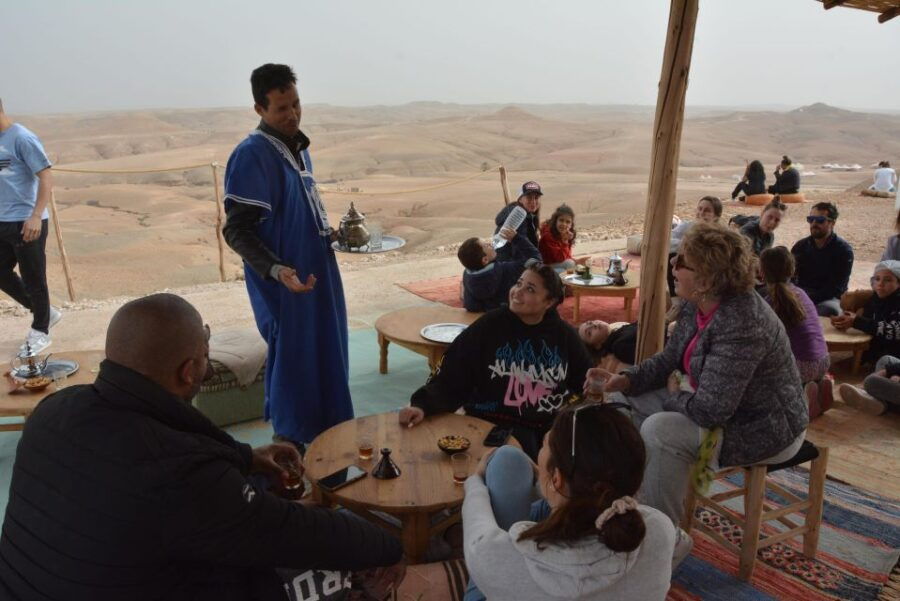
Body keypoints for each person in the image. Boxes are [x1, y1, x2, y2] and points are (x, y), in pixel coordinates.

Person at [0, 293, 404, 601]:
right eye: (206, 358)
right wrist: (388, 544)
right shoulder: (177, 475)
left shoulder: (54, 411)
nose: (208, 368)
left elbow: (174, 447)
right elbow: (291, 533)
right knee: (328, 571)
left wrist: (247, 458)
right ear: (188, 370)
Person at [586, 223, 808, 541]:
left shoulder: (742, 323)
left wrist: (674, 396)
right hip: (711, 401)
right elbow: (669, 360)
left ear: (706, 278)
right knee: (624, 399)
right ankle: (632, 495)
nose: (673, 265)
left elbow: (711, 412)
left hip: (761, 428)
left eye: (682, 261)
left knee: (659, 430)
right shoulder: (698, 303)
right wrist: (625, 380)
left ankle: (662, 539)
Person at [223, 64, 352, 449]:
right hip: (286, 286)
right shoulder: (252, 155)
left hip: (318, 278)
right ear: (259, 109)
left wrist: (334, 235)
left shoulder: (298, 149)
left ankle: (330, 449)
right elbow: (236, 230)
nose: (292, 114)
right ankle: (290, 459)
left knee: (327, 357)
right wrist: (277, 270)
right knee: (296, 368)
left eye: (296, 104)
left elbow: (298, 215)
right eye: (281, 109)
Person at [461, 405, 675, 601]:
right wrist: (549, 483)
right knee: (511, 461)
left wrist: (476, 481)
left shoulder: (501, 557)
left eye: (545, 443)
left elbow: (477, 541)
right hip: (565, 494)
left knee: (506, 460)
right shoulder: (659, 530)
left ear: (557, 478)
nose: (541, 451)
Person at [400, 263, 592, 459]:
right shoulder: (489, 327)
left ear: (549, 302)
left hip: (547, 428)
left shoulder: (564, 336)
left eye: (530, 289)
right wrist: (422, 405)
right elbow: (453, 374)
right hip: (491, 424)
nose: (518, 292)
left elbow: (585, 383)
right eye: (519, 283)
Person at [0, 97, 61, 353]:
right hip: (2, 221)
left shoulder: (21, 137)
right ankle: (45, 312)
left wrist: (36, 215)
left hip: (27, 222)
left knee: (34, 278)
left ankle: (41, 331)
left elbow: (45, 175)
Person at [759, 247, 831, 415]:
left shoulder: (769, 300)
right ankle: (819, 382)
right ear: (792, 270)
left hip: (801, 366)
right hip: (823, 360)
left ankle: (803, 396)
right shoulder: (801, 293)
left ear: (761, 272)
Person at [831, 261, 900, 366]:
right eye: (877, 279)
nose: (880, 284)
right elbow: (869, 322)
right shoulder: (876, 298)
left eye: (888, 280)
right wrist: (847, 321)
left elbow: (894, 331)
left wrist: (856, 321)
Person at [791, 202, 854, 317]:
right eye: (811, 219)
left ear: (832, 223)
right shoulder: (800, 246)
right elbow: (789, 276)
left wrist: (805, 298)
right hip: (801, 295)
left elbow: (836, 289)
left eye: (820, 220)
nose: (814, 223)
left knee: (830, 310)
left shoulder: (843, 251)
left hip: (827, 299)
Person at [457, 228, 540, 312]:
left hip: (483, 321)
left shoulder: (467, 275)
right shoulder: (506, 270)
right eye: (486, 245)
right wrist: (517, 239)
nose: (490, 244)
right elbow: (535, 259)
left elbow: (470, 306)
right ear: (485, 260)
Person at [668, 196, 723, 296]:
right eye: (700, 209)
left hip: (705, 268)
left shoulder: (718, 234)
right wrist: (685, 245)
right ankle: (675, 298)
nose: (701, 213)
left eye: (707, 211)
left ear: (716, 216)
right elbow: (669, 240)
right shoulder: (688, 225)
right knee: (671, 257)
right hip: (688, 262)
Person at [494, 181, 542, 260]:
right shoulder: (518, 216)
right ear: (520, 199)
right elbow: (519, 251)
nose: (533, 201)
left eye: (536, 198)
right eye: (529, 197)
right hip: (510, 265)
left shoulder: (529, 216)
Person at [538, 204, 577, 272]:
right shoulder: (548, 235)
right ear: (555, 221)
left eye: (568, 222)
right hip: (544, 266)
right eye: (561, 220)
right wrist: (565, 241)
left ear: (571, 224)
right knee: (564, 270)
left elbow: (567, 256)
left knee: (571, 264)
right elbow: (560, 258)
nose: (564, 224)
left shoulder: (566, 234)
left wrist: (577, 261)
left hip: (555, 264)